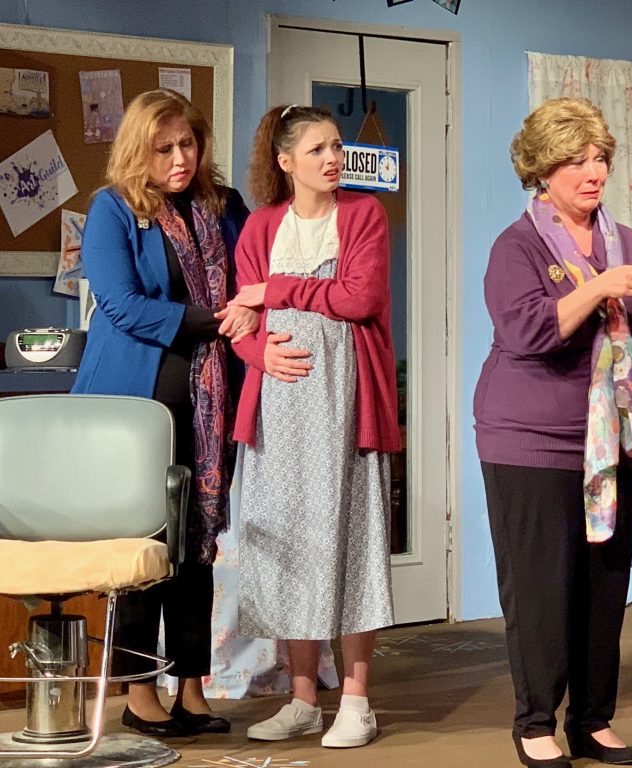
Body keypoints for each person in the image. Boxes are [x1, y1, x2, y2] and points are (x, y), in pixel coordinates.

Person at [474, 97, 632, 768]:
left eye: (599, 159)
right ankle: (535, 723)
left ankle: (593, 719)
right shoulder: (518, 246)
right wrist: (599, 287)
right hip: (529, 438)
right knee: (541, 589)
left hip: (608, 439)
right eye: (576, 161)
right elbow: (528, 331)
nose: (593, 173)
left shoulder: (626, 241)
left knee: (602, 585)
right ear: (542, 169)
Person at [72, 88, 253, 737]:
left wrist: (247, 311)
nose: (180, 158)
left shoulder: (224, 206)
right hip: (136, 414)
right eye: (163, 147)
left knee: (197, 547)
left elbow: (254, 282)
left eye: (188, 144)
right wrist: (215, 320)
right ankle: (139, 692)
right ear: (138, 150)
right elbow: (121, 305)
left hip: (211, 409)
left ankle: (193, 688)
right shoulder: (112, 208)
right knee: (145, 548)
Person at [228, 105, 400, 749]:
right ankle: (302, 699)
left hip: (348, 406)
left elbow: (359, 298)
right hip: (280, 412)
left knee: (352, 542)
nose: (333, 159)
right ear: (286, 162)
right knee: (290, 545)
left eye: (336, 146)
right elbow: (238, 324)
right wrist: (259, 356)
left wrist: (276, 290)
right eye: (318, 149)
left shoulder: (362, 215)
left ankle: (356, 701)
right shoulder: (260, 227)